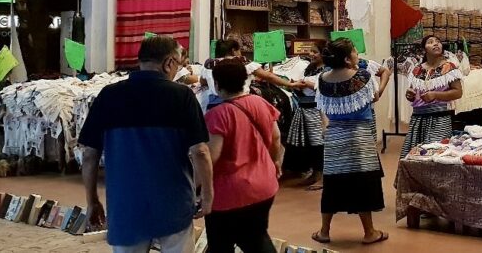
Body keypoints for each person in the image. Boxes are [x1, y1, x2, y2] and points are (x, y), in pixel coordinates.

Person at [79, 36, 213, 253]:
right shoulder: (182, 96)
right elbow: (200, 151)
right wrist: (207, 194)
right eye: (178, 64)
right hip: (174, 203)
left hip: (125, 205)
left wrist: (92, 200)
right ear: (169, 63)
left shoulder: (109, 96)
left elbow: (89, 155)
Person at [311, 38, 391, 246]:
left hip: (334, 137)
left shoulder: (322, 79)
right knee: (362, 182)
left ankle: (324, 231)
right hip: (359, 136)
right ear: (347, 59)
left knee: (332, 184)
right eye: (355, 51)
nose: (357, 54)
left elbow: (323, 108)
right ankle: (369, 232)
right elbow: (373, 97)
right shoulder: (363, 77)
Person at [203, 59, 283, 253]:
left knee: (221, 244)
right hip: (264, 186)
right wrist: (275, 162)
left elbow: (211, 157)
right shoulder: (260, 102)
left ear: (217, 84)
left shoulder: (217, 115)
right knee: (257, 237)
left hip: (228, 193)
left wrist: (198, 185)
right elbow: (276, 137)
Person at [399, 35, 464, 159]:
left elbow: (458, 92)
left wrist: (435, 95)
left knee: (435, 155)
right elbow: (412, 95)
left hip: (439, 119)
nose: (435, 44)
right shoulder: (417, 70)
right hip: (418, 119)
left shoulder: (449, 67)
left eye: (438, 42)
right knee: (414, 156)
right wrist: (409, 95)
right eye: (430, 42)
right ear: (424, 49)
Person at [288, 45, 326, 190]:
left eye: (315, 52)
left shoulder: (328, 70)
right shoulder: (310, 68)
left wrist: (307, 84)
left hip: (317, 110)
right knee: (310, 144)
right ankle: (314, 173)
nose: (311, 54)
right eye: (311, 51)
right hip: (304, 108)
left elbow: (324, 88)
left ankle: (321, 176)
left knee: (318, 144)